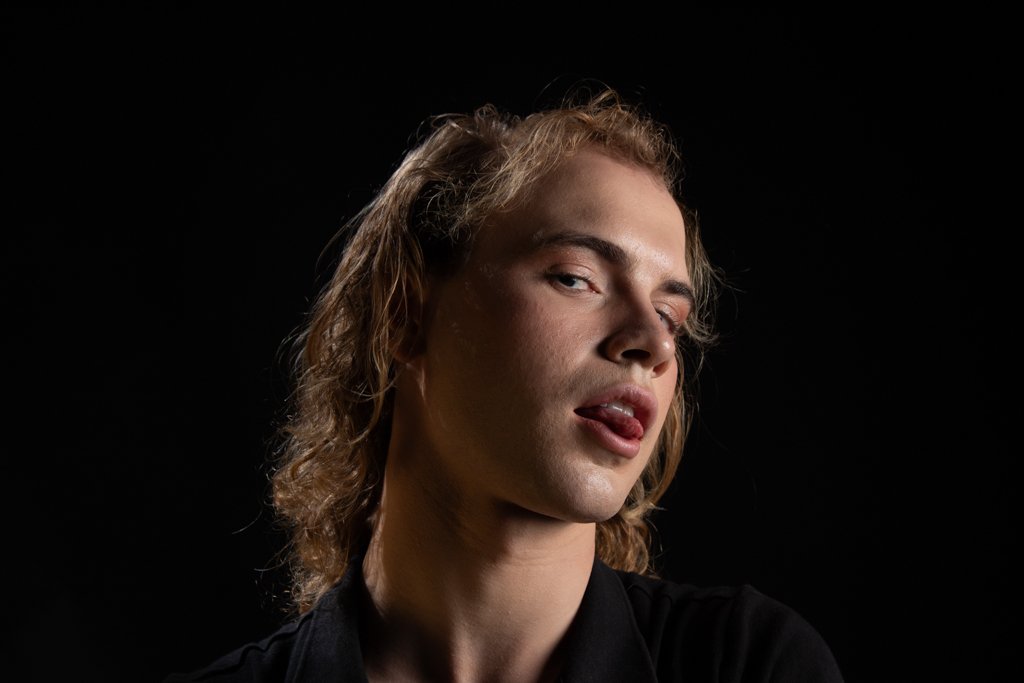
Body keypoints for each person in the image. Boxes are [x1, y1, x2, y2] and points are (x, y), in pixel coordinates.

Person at [165, 86, 845, 682]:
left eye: (671, 314)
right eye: (576, 277)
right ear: (407, 312)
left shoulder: (749, 662)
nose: (655, 341)